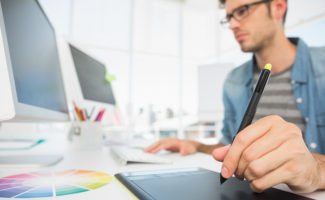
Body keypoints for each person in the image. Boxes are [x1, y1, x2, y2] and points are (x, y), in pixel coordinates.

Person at [145, 0, 325, 194]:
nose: (232, 25)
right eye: (229, 16)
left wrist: (317, 171)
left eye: (242, 11)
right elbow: (228, 146)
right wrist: (195, 145)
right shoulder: (233, 81)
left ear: (278, 7)